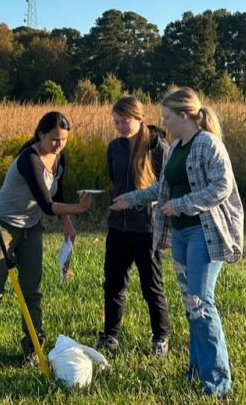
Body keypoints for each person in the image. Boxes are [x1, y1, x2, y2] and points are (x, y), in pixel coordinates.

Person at [111, 87, 243, 398]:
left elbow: (221, 187)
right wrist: (131, 199)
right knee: (191, 305)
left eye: (167, 117)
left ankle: (217, 383)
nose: (164, 122)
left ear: (184, 116)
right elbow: (162, 189)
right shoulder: (176, 146)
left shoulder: (209, 145)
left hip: (204, 233)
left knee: (201, 304)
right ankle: (196, 370)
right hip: (182, 236)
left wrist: (183, 205)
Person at [0, 111, 93, 365]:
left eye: (64, 139)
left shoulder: (59, 159)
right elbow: (46, 204)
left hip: (31, 227)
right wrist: (78, 209)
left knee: (32, 289)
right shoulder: (29, 159)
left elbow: (58, 194)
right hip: (4, 226)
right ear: (41, 134)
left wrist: (67, 224)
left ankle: (33, 346)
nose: (59, 145)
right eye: (55, 139)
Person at [96, 95, 171, 357]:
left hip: (146, 228)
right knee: (113, 283)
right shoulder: (114, 148)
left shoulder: (157, 147)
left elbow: (166, 188)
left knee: (151, 285)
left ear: (140, 118)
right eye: (116, 122)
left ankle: (161, 337)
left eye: (124, 121)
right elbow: (114, 178)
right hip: (117, 227)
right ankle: (110, 336)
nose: (119, 126)